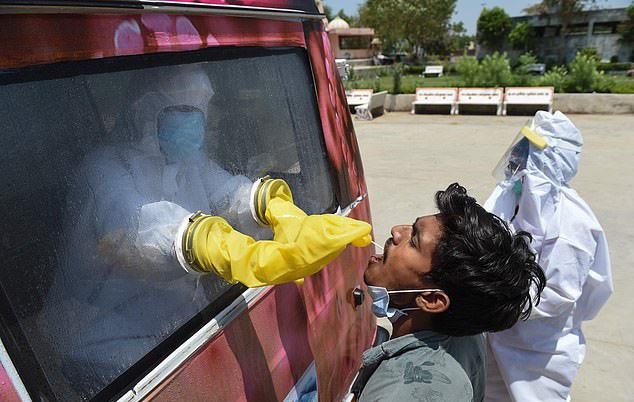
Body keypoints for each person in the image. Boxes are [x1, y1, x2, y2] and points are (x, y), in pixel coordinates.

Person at [37, 65, 265, 398]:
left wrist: (264, 203)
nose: (195, 122)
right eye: (183, 110)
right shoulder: (104, 170)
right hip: (100, 336)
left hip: (170, 325)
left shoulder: (190, 163)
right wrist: (194, 240)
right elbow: (137, 235)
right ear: (146, 110)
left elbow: (227, 193)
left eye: (198, 111)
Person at [355, 183, 546, 402]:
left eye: (414, 241)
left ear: (433, 300)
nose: (397, 231)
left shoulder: (402, 392)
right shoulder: (465, 332)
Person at [483, 111, 613, 402]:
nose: (518, 155)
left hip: (538, 352)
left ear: (551, 160)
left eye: (529, 149)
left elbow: (558, 294)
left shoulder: (572, 225)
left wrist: (494, 298)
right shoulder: (511, 197)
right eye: (521, 145)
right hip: (498, 335)